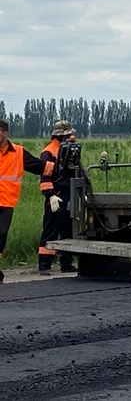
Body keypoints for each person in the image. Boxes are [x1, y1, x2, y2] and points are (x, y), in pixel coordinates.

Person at [0, 120, 54, 283]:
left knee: (1, 234)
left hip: (7, 202)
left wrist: (60, 168)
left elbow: (38, 166)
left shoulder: (18, 152)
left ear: (5, 133)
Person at [37, 120, 78, 275]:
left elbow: (77, 171)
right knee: (51, 230)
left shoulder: (71, 150)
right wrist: (51, 195)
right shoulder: (49, 152)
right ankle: (44, 265)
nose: (72, 136)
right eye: (69, 134)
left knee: (68, 230)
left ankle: (66, 263)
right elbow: (45, 177)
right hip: (56, 196)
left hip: (70, 194)